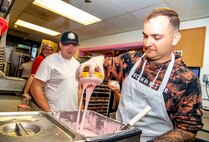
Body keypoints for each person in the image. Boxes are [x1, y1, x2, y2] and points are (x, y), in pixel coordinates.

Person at [77, 8, 203, 141]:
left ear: (175, 38)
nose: (147, 44)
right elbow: (105, 66)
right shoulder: (131, 60)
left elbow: (188, 129)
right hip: (118, 136)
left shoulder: (186, 81)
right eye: (145, 36)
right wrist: (97, 60)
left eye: (156, 37)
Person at [30, 31, 81, 112]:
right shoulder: (49, 61)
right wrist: (49, 112)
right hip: (55, 113)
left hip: (73, 114)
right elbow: (35, 88)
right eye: (67, 44)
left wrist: (80, 110)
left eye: (74, 45)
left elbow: (78, 88)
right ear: (60, 44)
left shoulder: (77, 64)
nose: (70, 48)